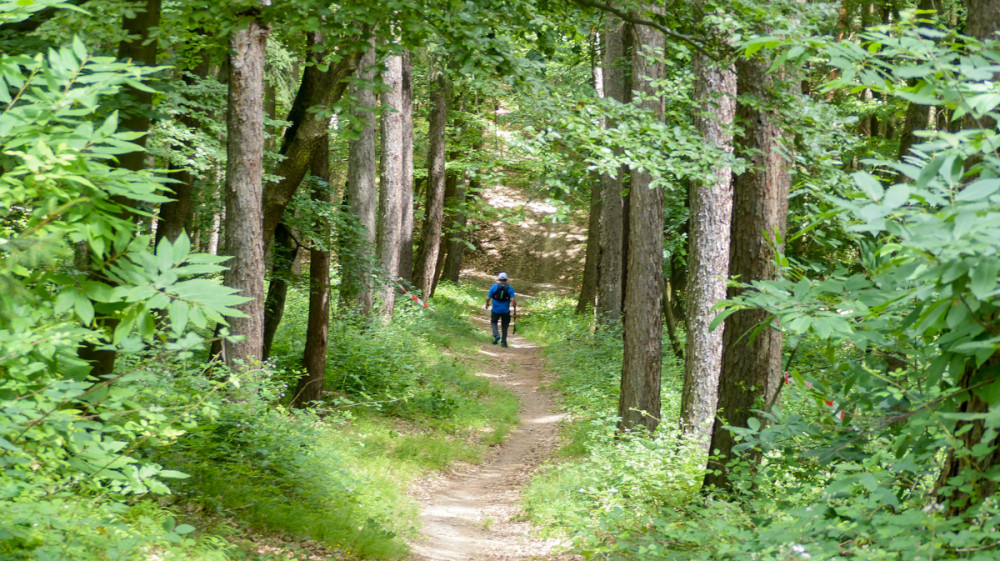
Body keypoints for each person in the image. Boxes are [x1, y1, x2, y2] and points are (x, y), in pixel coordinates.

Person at [485, 272, 517, 348]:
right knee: (505, 325)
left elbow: (488, 298)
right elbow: (513, 301)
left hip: (495, 309)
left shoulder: (494, 287)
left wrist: (487, 304)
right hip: (505, 311)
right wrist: (515, 311)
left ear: (499, 279)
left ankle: (496, 335)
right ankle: (504, 342)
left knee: (493, 322)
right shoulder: (510, 288)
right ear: (506, 279)